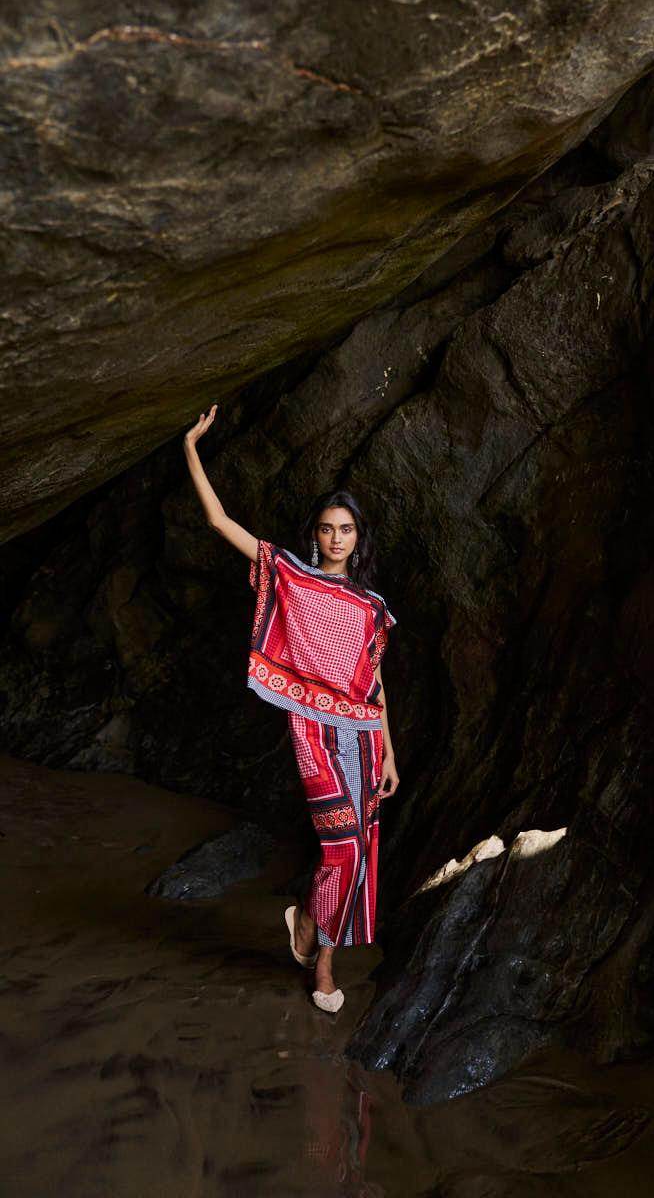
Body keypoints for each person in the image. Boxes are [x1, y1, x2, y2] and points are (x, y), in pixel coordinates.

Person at [183, 403, 400, 1013]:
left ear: (358, 538)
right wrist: (190, 449)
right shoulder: (291, 576)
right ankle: (313, 940)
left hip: (363, 737)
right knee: (342, 848)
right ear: (316, 535)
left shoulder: (371, 607)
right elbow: (218, 520)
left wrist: (390, 752)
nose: (336, 538)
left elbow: (374, 682)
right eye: (328, 528)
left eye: (346, 529)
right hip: (311, 730)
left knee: (357, 852)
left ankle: (319, 949)